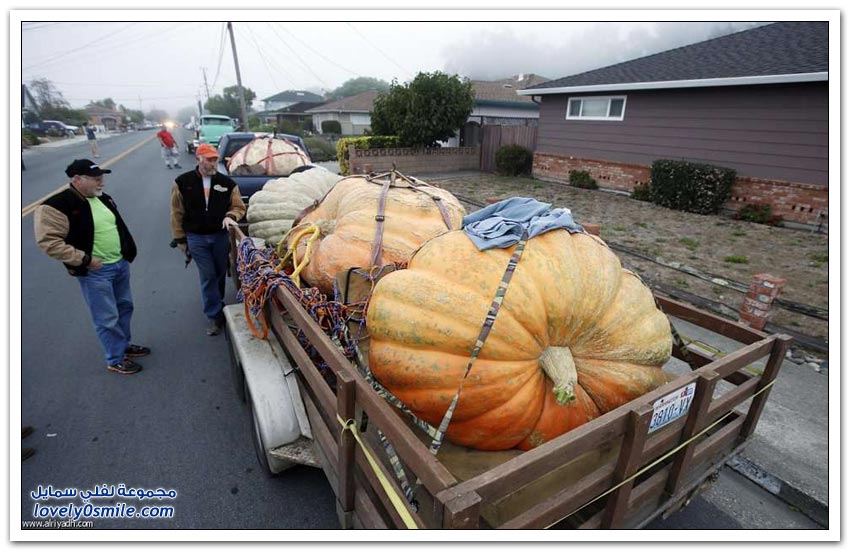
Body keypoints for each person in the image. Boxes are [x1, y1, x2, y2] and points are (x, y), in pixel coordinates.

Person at [34, 159, 150, 375]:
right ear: (77, 179)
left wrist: (126, 252)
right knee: (107, 317)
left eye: (101, 177)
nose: (101, 182)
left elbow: (116, 227)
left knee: (125, 307)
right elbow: (49, 243)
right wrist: (85, 260)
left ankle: (124, 345)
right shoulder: (56, 206)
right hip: (96, 271)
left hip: (119, 264)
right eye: (96, 179)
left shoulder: (103, 198)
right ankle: (115, 358)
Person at [170, 144, 246, 336]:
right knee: (208, 275)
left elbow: (238, 207)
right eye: (209, 160)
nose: (213, 163)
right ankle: (214, 316)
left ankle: (217, 303)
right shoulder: (182, 182)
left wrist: (230, 216)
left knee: (219, 273)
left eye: (215, 160)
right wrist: (180, 239)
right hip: (196, 238)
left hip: (219, 237)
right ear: (199, 159)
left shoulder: (227, 183)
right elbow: (177, 213)